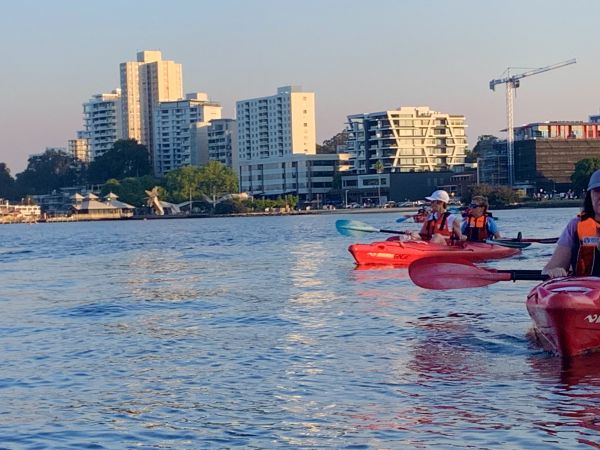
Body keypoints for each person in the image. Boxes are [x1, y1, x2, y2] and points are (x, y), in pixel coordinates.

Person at [543, 169, 600, 278]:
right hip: (584, 291)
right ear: (590, 196)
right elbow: (548, 269)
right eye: (597, 191)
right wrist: (554, 271)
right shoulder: (575, 225)